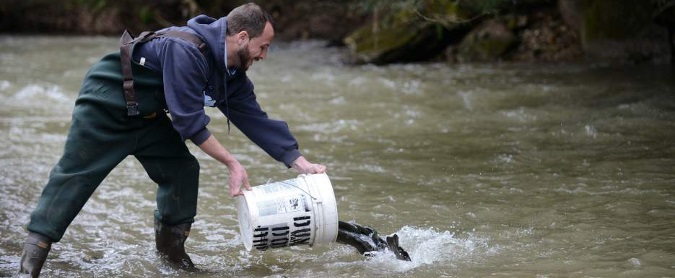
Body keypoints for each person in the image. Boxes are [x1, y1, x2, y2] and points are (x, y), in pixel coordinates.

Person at [18, 3, 326, 276]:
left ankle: (173, 262)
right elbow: (189, 122)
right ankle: (29, 265)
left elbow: (255, 119)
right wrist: (232, 163)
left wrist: (299, 162)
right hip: (106, 104)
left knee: (182, 170)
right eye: (264, 46)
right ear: (242, 37)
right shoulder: (187, 50)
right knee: (75, 178)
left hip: (147, 116)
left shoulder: (230, 72)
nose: (264, 55)